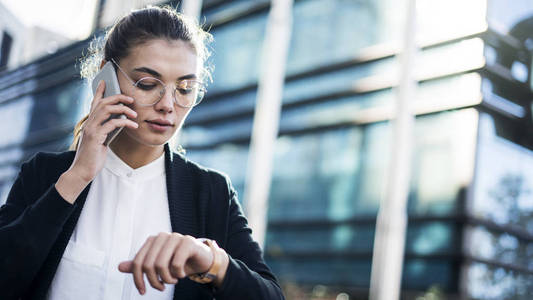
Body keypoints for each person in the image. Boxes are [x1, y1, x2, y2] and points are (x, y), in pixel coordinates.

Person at [0, 5, 284, 300]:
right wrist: (77, 176)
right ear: (105, 76)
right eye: (148, 84)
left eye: (185, 88)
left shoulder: (212, 193)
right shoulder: (44, 174)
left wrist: (212, 262)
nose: (168, 105)